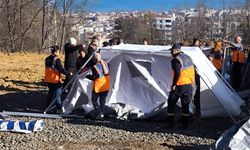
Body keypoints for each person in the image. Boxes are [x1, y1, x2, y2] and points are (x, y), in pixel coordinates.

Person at [167, 43, 195, 129]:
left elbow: (177, 73)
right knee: (185, 105)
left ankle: (170, 125)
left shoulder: (176, 60)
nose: (171, 53)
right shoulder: (188, 58)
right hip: (189, 85)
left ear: (176, 50)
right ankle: (185, 125)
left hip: (180, 85)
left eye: (171, 51)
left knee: (171, 103)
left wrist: (174, 84)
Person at [44, 45, 72, 113]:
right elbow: (61, 69)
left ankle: (48, 108)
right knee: (57, 95)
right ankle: (59, 109)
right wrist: (68, 73)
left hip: (48, 79)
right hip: (55, 80)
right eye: (59, 51)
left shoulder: (47, 59)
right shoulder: (57, 60)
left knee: (50, 94)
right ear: (56, 51)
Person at [86, 53, 110, 119]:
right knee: (102, 101)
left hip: (98, 87)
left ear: (94, 58)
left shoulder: (95, 66)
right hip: (106, 86)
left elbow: (95, 77)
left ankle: (99, 113)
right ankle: (102, 114)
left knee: (94, 100)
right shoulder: (106, 63)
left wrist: (88, 76)